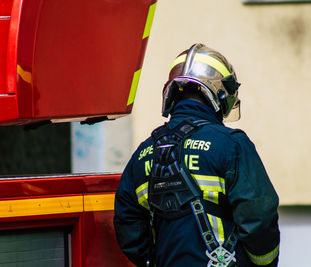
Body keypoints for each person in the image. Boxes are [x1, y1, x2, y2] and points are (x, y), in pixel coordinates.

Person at [114, 43, 280, 267]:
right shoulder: (232, 145)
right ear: (219, 94)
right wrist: (265, 264)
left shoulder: (143, 154)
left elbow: (128, 226)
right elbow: (259, 218)